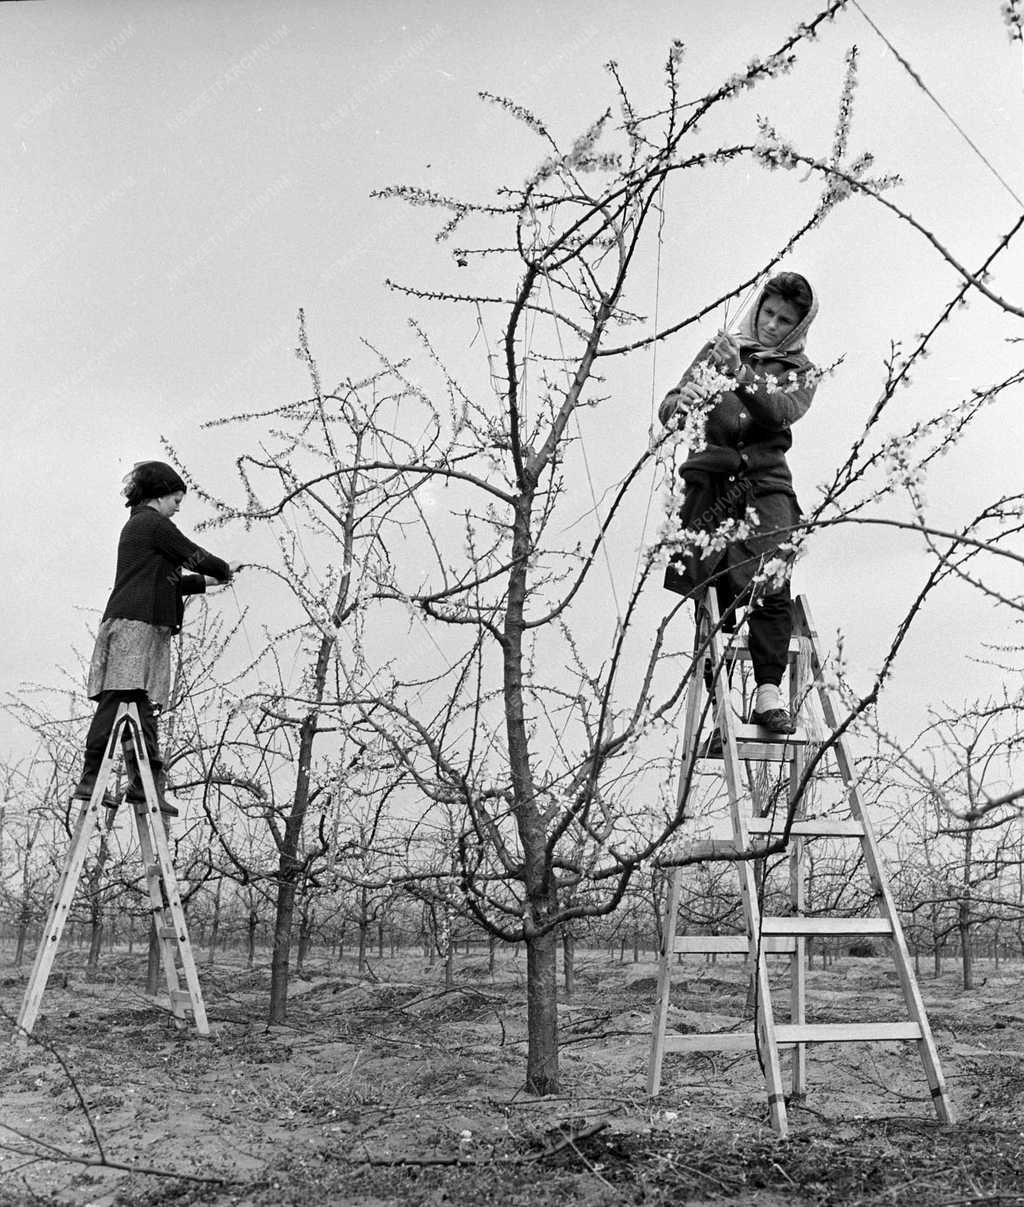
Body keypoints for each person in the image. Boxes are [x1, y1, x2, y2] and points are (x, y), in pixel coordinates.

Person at [659, 272, 819, 735]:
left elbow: (779, 412)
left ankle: (769, 695)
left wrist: (741, 375)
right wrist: (682, 404)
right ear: (757, 308)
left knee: (771, 581)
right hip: (711, 485)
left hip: (766, 486)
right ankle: (721, 708)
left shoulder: (802, 372)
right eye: (768, 313)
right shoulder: (721, 350)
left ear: (798, 326)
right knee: (712, 590)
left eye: (783, 320)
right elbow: (670, 409)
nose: (771, 325)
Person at [71, 461, 240, 816]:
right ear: (160, 496)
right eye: (176, 500)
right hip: (134, 627)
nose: (178, 507)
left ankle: (144, 784)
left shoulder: (141, 528)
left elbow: (168, 581)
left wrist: (209, 581)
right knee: (117, 700)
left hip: (137, 625)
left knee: (140, 708)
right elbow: (193, 554)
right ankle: (92, 778)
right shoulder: (153, 524)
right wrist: (223, 568)